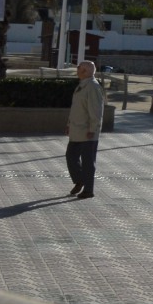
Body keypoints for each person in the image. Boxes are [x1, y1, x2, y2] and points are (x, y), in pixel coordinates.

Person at [66, 60, 104, 200]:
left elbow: (96, 111)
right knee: (71, 157)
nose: (77, 70)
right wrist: (69, 124)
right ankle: (80, 180)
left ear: (85, 71)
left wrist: (93, 129)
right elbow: (76, 107)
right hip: (77, 129)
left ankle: (88, 190)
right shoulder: (83, 84)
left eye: (79, 68)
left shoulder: (93, 87)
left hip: (88, 131)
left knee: (88, 161)